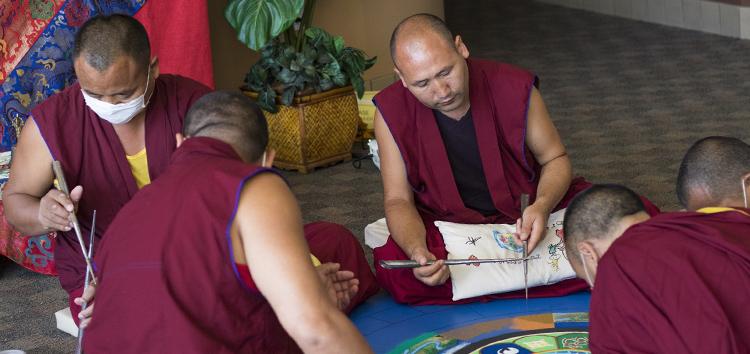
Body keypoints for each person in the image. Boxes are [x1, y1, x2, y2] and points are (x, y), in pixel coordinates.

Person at [372, 13, 658, 304]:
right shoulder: (391, 111)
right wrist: (417, 252)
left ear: (462, 48)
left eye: (446, 72)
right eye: (423, 83)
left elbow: (554, 158)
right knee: (401, 269)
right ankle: (560, 273)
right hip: (453, 228)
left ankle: (487, 283)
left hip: (530, 214)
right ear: (402, 79)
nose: (441, 91)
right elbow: (398, 200)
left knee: (635, 218)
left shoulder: (514, 86)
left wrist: (542, 206)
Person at [81, 91, 376, 353]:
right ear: (267, 160)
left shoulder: (132, 209)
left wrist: (308, 292)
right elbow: (316, 333)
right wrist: (317, 306)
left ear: (181, 143)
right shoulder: (254, 184)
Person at [2, 14, 211, 323]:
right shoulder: (54, 122)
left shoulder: (195, 106)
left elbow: (237, 195)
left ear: (152, 69)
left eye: (124, 94)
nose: (110, 105)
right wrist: (43, 214)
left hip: (189, 255)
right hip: (102, 268)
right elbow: (15, 200)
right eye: (94, 95)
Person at [564, 182, 750, 352]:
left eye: (589, 281)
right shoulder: (713, 222)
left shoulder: (619, 263)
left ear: (588, 253)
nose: (596, 291)